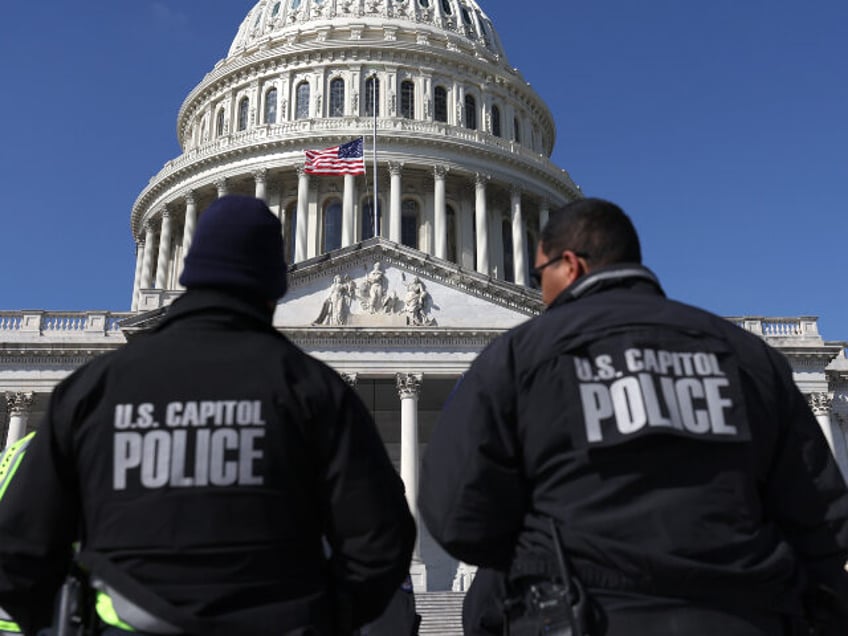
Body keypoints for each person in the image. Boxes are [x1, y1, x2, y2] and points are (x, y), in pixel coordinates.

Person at [419, 198, 848, 635]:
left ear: (570, 266)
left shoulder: (517, 358)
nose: (539, 292)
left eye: (538, 276)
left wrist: (532, 556)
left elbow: (454, 515)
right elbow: (824, 521)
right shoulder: (747, 357)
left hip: (583, 612)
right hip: (739, 615)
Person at [0, 195, 416, 636]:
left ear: (189, 270)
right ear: (279, 282)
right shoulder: (313, 389)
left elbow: (17, 548)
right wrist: (325, 617)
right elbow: (382, 542)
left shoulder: (92, 391)